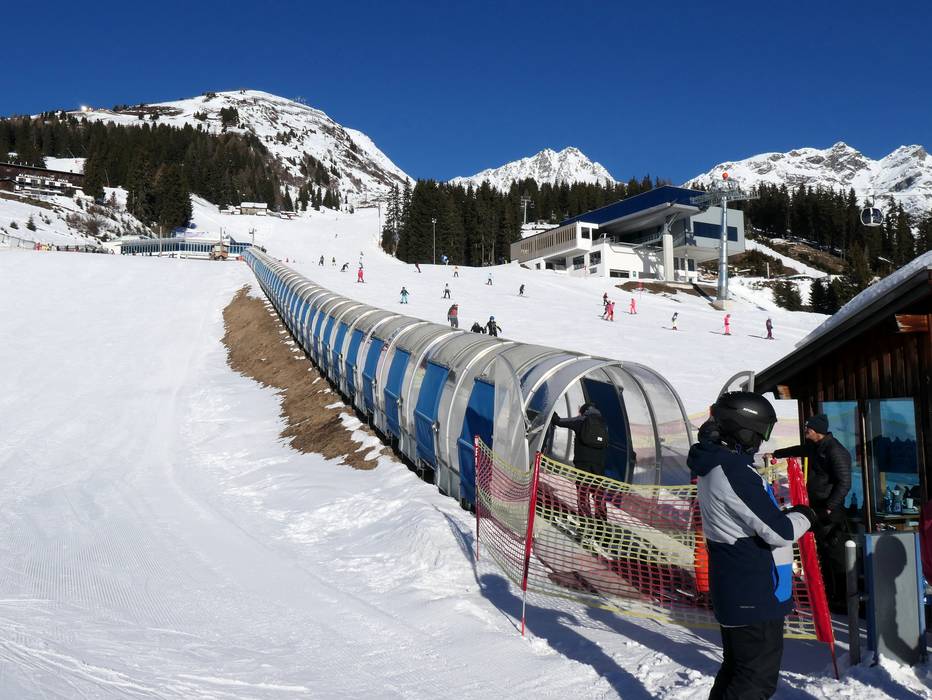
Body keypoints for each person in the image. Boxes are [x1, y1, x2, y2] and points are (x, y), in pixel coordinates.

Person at [688, 392, 816, 700]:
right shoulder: (732, 470)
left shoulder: (715, 462)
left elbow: (755, 517)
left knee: (738, 672)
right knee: (754, 682)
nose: (762, 441)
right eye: (762, 432)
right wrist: (806, 515)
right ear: (746, 430)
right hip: (752, 591)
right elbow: (781, 532)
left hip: (738, 585)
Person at [766, 414, 851, 608]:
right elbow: (798, 449)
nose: (806, 431)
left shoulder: (835, 451)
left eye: (808, 428)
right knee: (823, 553)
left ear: (817, 430)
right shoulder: (816, 446)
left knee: (836, 555)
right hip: (817, 507)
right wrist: (776, 454)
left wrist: (829, 507)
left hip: (830, 512)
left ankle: (843, 598)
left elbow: (844, 483)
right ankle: (830, 596)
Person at [551, 403, 609, 520]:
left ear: (583, 411)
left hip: (583, 464)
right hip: (599, 465)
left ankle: (585, 520)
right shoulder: (603, 423)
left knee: (583, 493)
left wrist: (550, 409)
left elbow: (558, 421)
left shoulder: (581, 420)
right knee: (598, 493)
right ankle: (602, 521)